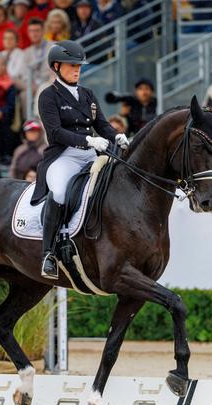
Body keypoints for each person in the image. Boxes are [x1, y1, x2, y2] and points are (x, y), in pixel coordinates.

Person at [33, 40, 126, 279]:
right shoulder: (48, 96)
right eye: (71, 65)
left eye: (79, 66)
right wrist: (88, 141)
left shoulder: (87, 94)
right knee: (59, 193)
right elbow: (55, 132)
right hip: (64, 156)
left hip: (91, 154)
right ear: (56, 66)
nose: (77, 70)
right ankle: (48, 253)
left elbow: (101, 124)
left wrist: (117, 136)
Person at [21, 19, 54, 96]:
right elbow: (25, 74)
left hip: (49, 82)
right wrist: (32, 83)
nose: (34, 34)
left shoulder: (53, 46)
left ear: (43, 31)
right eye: (31, 31)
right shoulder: (26, 52)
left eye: (37, 31)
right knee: (24, 95)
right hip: (33, 84)